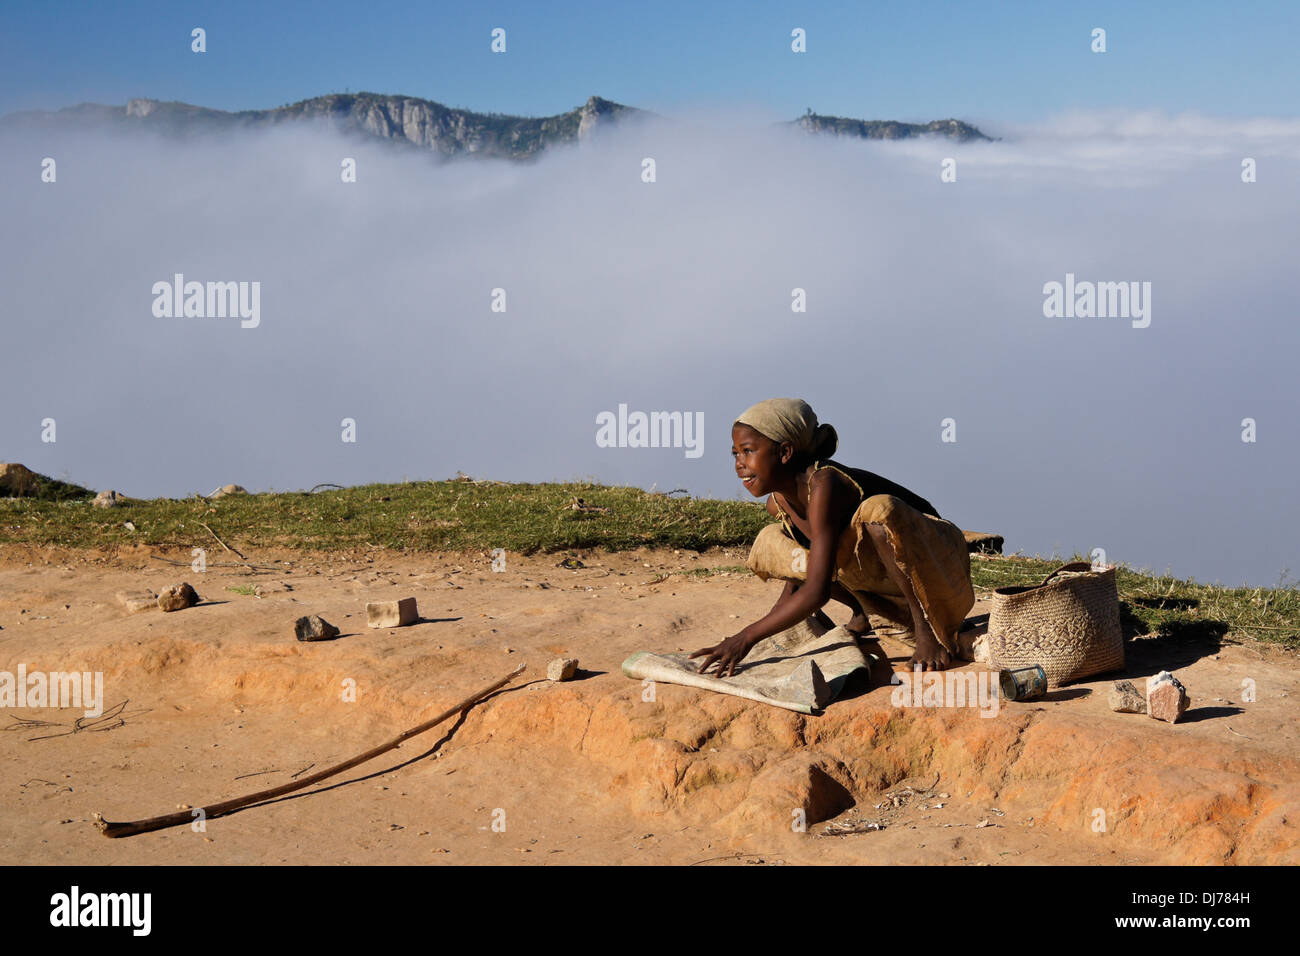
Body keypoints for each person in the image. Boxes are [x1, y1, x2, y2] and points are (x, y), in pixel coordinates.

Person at [690, 398, 974, 677]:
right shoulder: (779, 502)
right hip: (886, 585)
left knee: (877, 514)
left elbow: (817, 591)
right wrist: (750, 644)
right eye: (735, 454)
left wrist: (744, 638)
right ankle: (861, 612)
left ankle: (927, 632)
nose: (739, 463)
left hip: (941, 573)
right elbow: (799, 580)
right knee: (771, 541)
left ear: (785, 452)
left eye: (748, 451)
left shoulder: (825, 484)